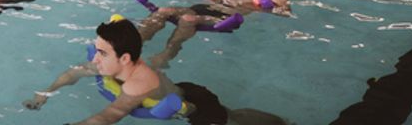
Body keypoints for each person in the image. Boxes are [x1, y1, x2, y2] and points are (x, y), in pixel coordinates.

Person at [23, 16, 287, 125]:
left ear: (125, 58)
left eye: (102, 53)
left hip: (197, 107)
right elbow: (72, 73)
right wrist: (44, 94)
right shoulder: (108, 64)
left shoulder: (139, 83)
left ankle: (282, 123)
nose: (95, 58)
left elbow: (110, 115)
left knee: (232, 117)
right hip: (180, 88)